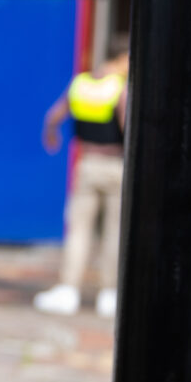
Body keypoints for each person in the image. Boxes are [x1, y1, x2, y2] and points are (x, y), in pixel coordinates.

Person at [35, 35, 130, 318]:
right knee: (114, 232)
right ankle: (109, 294)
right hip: (115, 165)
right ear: (122, 58)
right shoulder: (120, 89)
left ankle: (68, 290)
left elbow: (53, 116)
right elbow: (127, 128)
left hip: (87, 164)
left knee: (79, 230)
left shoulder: (81, 84)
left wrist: (51, 137)